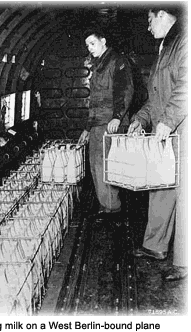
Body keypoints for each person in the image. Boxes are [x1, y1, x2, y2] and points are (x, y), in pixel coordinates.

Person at [127, 6, 187, 281]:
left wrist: (167, 121)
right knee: (161, 185)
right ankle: (155, 246)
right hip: (167, 131)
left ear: (162, 14)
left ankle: (184, 263)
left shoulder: (185, 41)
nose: (148, 27)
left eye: (150, 20)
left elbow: (186, 88)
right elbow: (155, 97)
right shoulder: (166, 48)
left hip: (183, 130)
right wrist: (141, 119)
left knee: (185, 196)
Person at [79, 26, 134, 216]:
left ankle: (113, 207)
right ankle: (106, 204)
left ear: (103, 41)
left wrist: (117, 118)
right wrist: (87, 128)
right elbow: (95, 101)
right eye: (87, 45)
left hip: (109, 123)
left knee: (105, 165)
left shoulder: (117, 61)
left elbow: (125, 91)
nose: (90, 48)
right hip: (97, 124)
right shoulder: (98, 65)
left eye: (92, 43)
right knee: (95, 165)